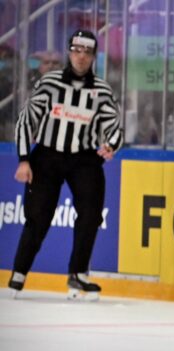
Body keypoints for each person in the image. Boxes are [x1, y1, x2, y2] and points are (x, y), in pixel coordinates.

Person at [8, 29, 123, 300]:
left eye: (87, 52)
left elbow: (115, 127)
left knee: (91, 213)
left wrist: (111, 145)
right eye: (77, 51)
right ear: (69, 52)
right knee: (38, 217)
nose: (81, 57)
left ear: (93, 56)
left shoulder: (101, 90)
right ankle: (19, 274)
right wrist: (24, 159)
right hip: (47, 156)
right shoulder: (50, 83)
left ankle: (78, 274)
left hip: (84, 158)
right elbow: (26, 121)